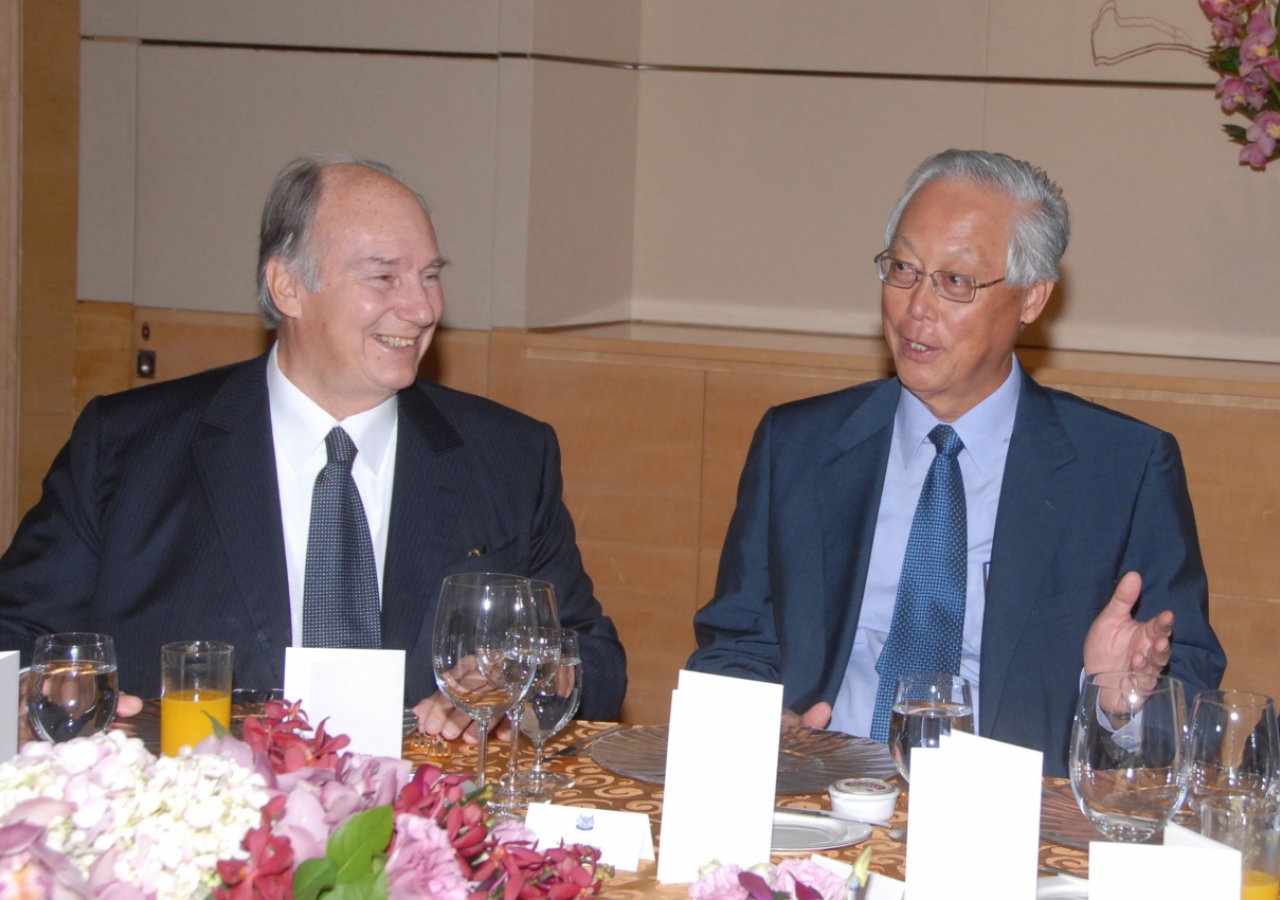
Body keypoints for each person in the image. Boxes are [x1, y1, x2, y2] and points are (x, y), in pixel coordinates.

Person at [0, 153, 627, 740]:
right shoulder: (130, 447)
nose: (421, 306)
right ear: (287, 288)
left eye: (430, 276)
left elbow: (592, 659)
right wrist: (39, 695)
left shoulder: (508, 455)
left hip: (427, 828)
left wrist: (525, 681)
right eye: (384, 277)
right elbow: (16, 635)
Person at [686, 149, 1225, 776]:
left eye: (956, 282)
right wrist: (760, 725)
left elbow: (1189, 704)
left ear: (1031, 299)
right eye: (904, 269)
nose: (917, 306)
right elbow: (735, 647)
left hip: (1015, 822)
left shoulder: (1123, 469)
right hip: (823, 796)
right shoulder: (798, 445)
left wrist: (1123, 705)